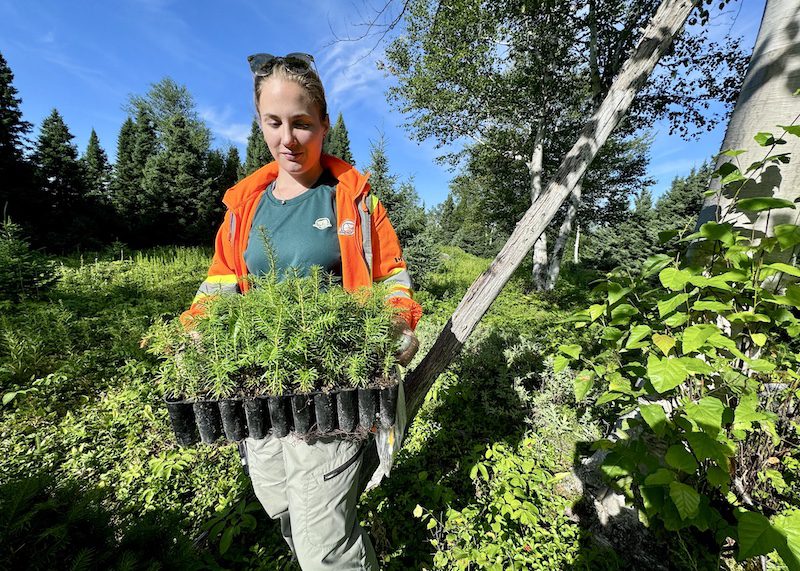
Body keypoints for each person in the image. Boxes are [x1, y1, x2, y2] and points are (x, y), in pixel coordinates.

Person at [180, 53, 422, 570]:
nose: (288, 137)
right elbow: (220, 280)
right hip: (258, 388)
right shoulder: (246, 206)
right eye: (274, 122)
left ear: (324, 124)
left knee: (323, 549)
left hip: (332, 391)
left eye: (301, 123)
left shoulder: (353, 201)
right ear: (260, 123)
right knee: (281, 504)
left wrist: (399, 323)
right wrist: (196, 331)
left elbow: (392, 281)